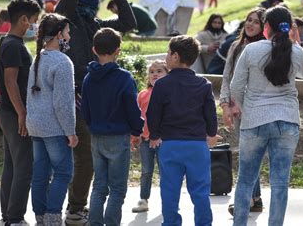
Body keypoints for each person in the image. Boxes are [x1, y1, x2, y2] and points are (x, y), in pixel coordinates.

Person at [55, 0, 136, 225]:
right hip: (72, 96)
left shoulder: (98, 26)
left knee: (87, 157)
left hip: (92, 99)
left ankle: (75, 207)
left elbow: (128, 20)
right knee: (82, 158)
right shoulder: (67, 18)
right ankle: (74, 209)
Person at [230, 6, 303, 226]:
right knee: (280, 183)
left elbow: (235, 86)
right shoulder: (296, 51)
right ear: (289, 28)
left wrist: (247, 109)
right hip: (287, 121)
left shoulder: (252, 50)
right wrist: (296, 41)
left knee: (246, 180)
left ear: (266, 26)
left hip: (254, 119)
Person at [147, 35, 220, 226]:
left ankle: (171, 223)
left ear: (176, 56)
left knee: (169, 190)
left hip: (170, 145)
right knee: (200, 191)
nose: (166, 57)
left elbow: (153, 113)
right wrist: (211, 134)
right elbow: (211, 115)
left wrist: (154, 135)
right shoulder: (204, 84)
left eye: (168, 53)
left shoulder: (161, 85)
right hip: (197, 145)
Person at [81, 28, 143, 225]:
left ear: (94, 49)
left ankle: (95, 222)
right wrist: (137, 129)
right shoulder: (124, 78)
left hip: (97, 136)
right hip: (118, 136)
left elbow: (86, 110)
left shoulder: (89, 78)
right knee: (117, 188)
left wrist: (93, 126)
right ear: (118, 50)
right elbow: (132, 108)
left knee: (99, 185)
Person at [26, 13, 78, 225]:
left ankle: (40, 218)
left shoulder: (38, 58)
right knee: (64, 172)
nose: (69, 36)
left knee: (40, 173)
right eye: (67, 32)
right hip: (55, 128)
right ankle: (53, 217)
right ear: (59, 34)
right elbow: (63, 103)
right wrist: (71, 131)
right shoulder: (63, 62)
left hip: (36, 126)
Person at [0, 0, 41, 225]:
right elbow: (10, 81)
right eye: (34, 20)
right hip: (14, 111)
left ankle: (8, 215)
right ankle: (15, 217)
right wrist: (22, 113)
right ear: (24, 19)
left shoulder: (9, 42)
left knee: (13, 166)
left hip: (7, 109)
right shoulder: (13, 45)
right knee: (24, 166)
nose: (35, 25)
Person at [219, 7, 266, 216]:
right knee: (248, 154)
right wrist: (225, 104)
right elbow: (227, 76)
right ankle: (255, 199)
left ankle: (248, 199)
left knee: (250, 155)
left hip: (257, 109)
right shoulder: (236, 47)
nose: (250, 24)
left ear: (265, 27)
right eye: (249, 20)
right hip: (237, 111)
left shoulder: (267, 49)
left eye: (256, 22)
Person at [131, 59, 169, 213]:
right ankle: (143, 199)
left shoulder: (169, 93)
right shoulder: (143, 94)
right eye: (152, 72)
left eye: (159, 71)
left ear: (167, 74)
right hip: (145, 140)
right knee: (146, 171)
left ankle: (168, 200)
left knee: (165, 170)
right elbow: (137, 117)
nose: (155, 74)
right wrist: (136, 136)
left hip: (163, 140)